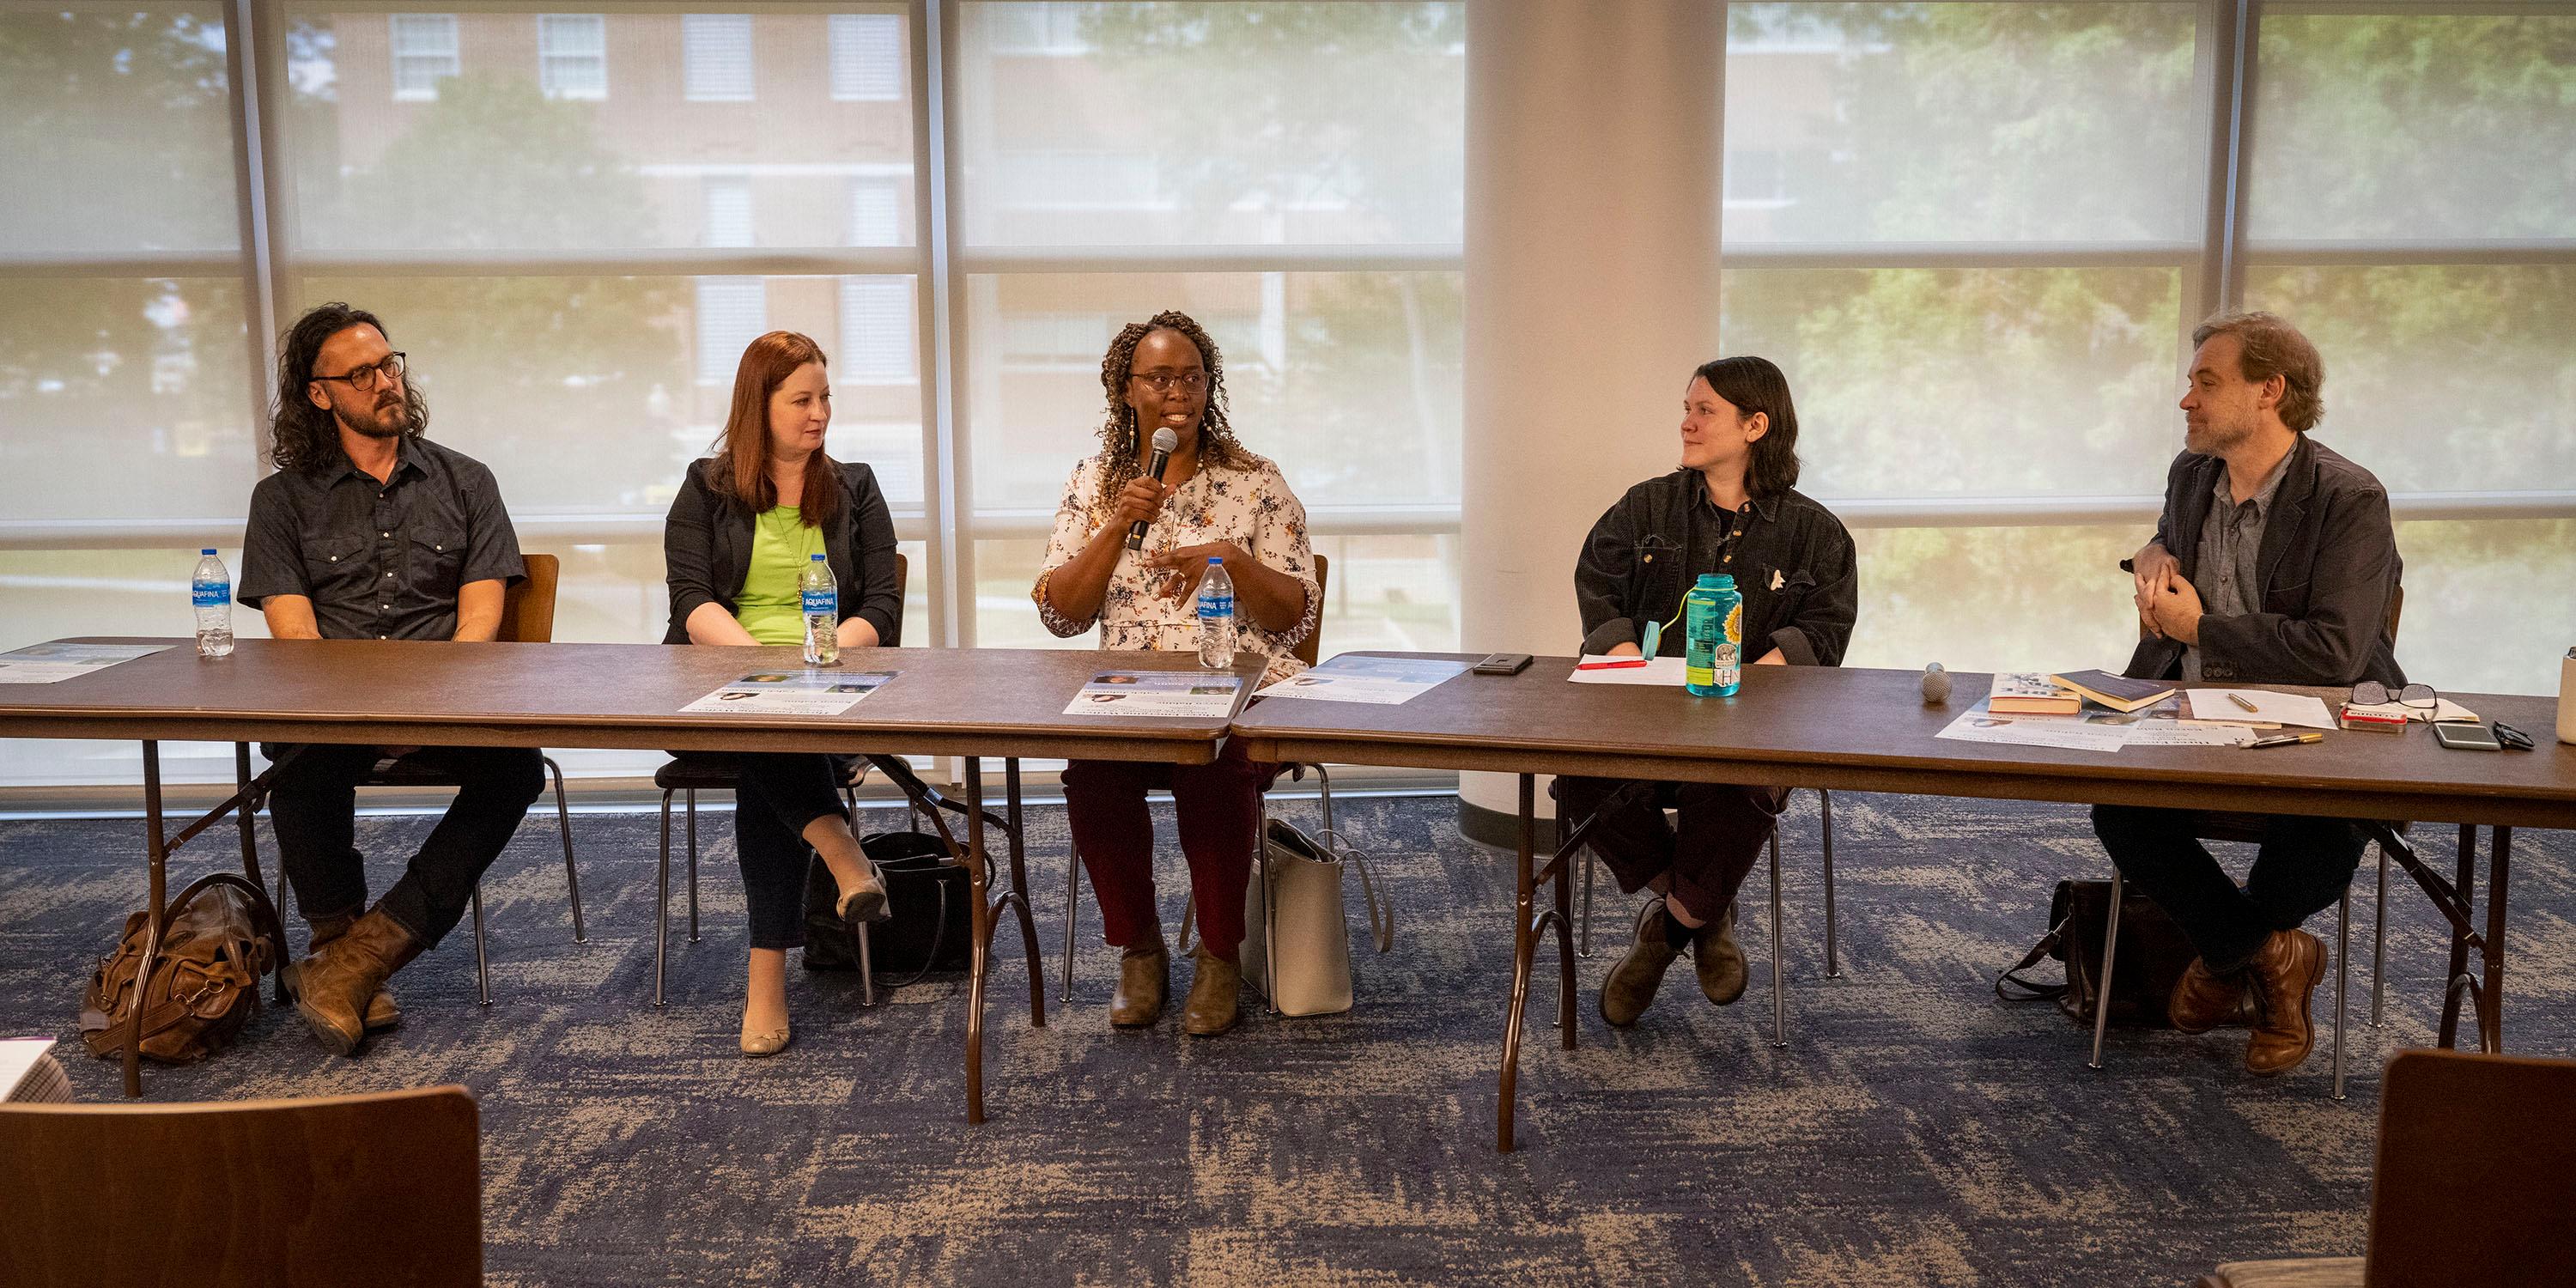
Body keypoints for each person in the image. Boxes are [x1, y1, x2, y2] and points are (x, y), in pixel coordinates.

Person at [2093, 311, 2403, 1077]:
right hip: (2191, 714)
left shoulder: (2349, 498)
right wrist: (2152, 553)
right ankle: (2271, 955)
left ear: (2271, 390)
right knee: (2116, 805)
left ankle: (2230, 954)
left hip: (2318, 731)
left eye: (2207, 381)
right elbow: (2168, 538)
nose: (2186, 400)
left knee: (2327, 828)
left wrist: (2204, 630)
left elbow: (2336, 651)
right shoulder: (2192, 474)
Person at [237, 302, 546, 1056]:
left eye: (390, 365)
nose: (386, 383)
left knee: (517, 768)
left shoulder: (467, 481)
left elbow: (480, 623)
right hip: (331, 703)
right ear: (320, 394)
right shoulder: (281, 500)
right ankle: (340, 943)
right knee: (297, 756)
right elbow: (295, 637)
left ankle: (362, 958)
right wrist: (355, 716)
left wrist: (435, 712)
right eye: (362, 373)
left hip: (444, 701)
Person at [1031, 310, 1321, 1036]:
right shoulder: (1095, 482)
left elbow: (1297, 615)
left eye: (1192, 377)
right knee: (1093, 775)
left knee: (1215, 770)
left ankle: (1221, 956)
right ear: (1126, 390)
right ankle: (1140, 952)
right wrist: (1112, 525)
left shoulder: (1255, 482)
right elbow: (1062, 615)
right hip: (1131, 695)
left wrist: (1232, 557)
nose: (1178, 392)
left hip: (1238, 690)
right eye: (1159, 378)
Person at [1561, 355, 1857, 1028]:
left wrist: (1745, 687)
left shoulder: (1818, 533)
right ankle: (1703, 910)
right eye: (1686, 408)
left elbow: (1825, 632)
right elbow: (1597, 587)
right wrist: (1629, 659)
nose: (1686, 423)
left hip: (1753, 728)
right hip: (1640, 715)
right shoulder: (1644, 506)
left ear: (1756, 425)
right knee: (1580, 779)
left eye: (1704, 412)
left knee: (1732, 785)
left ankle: (1663, 937)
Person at [664, 330, 904, 1057]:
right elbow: (692, 602)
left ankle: (766, 978)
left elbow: (883, 608)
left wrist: (816, 663)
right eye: (802, 399)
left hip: (831, 680)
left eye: (825, 397)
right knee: (769, 730)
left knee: (766, 758)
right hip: (722, 679)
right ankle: (838, 845)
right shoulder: (705, 486)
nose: (820, 412)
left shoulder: (855, 486)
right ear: (757, 406)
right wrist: (763, 668)